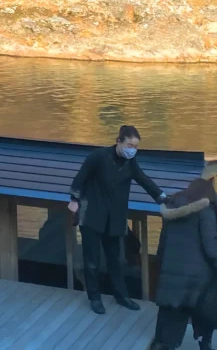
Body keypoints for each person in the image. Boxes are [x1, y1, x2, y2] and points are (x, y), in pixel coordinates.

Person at [69, 125, 168, 314]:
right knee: (92, 261)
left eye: (136, 147)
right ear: (119, 141)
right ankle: (95, 298)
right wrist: (74, 200)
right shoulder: (98, 157)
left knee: (116, 260)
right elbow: (80, 178)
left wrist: (162, 197)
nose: (133, 150)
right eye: (130, 145)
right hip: (92, 215)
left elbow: (144, 180)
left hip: (115, 218)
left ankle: (121, 296)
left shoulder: (130, 163)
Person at [151, 178, 217, 350]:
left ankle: (162, 343)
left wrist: (161, 266)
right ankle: (204, 343)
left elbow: (163, 242)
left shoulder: (172, 207)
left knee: (168, 310)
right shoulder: (206, 211)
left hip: (170, 269)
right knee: (207, 308)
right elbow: (210, 247)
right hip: (196, 275)